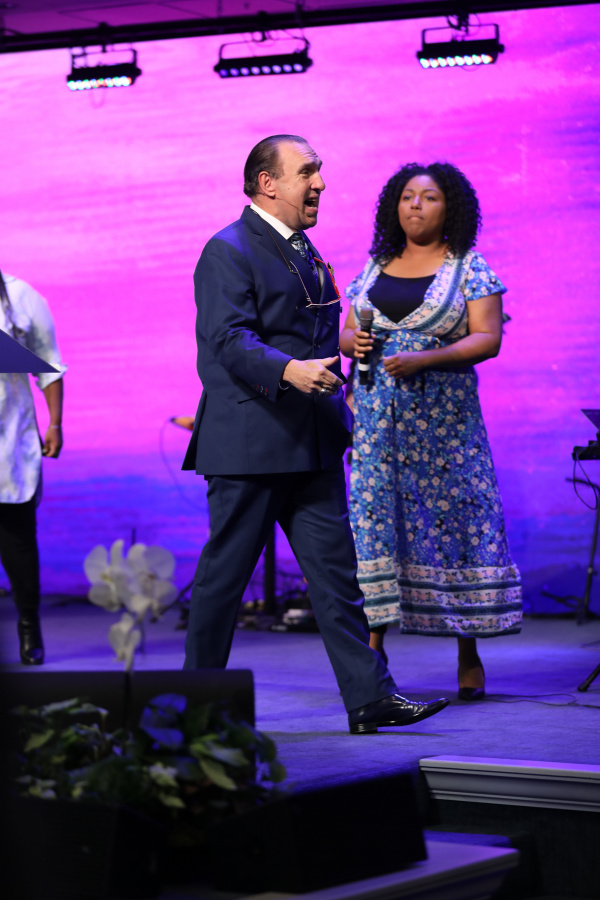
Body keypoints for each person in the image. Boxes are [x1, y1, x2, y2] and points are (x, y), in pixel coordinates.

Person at [182, 135, 450, 733]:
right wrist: (289, 370)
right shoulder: (227, 249)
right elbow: (228, 340)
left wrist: (336, 372)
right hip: (251, 445)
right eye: (307, 172)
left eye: (319, 172)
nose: (320, 183)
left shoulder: (302, 249)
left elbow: (313, 334)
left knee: (337, 580)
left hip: (311, 441)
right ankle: (196, 707)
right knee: (224, 582)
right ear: (267, 183)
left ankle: (370, 697)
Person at [340, 162, 522, 701]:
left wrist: (426, 358)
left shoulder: (469, 267)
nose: (415, 204)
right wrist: (354, 343)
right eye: (407, 196)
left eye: (429, 197)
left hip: (445, 429)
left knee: (457, 524)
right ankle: (373, 648)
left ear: (451, 209)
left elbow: (487, 338)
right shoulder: (375, 267)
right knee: (375, 525)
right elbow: (347, 331)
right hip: (377, 426)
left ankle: (467, 649)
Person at [0, 270, 66, 665]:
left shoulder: (22, 296)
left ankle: (28, 624)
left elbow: (49, 363)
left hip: (10, 439)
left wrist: (54, 423)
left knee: (17, 541)